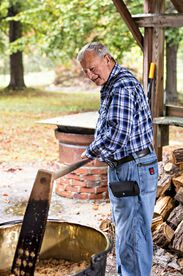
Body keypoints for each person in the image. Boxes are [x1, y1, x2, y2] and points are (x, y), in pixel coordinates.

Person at [77, 42, 158, 276]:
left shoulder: (121, 85)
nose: (91, 75)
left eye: (93, 68)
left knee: (133, 235)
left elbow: (118, 135)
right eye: (86, 72)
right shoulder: (112, 83)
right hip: (127, 166)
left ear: (108, 60)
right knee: (127, 231)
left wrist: (91, 151)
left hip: (133, 167)